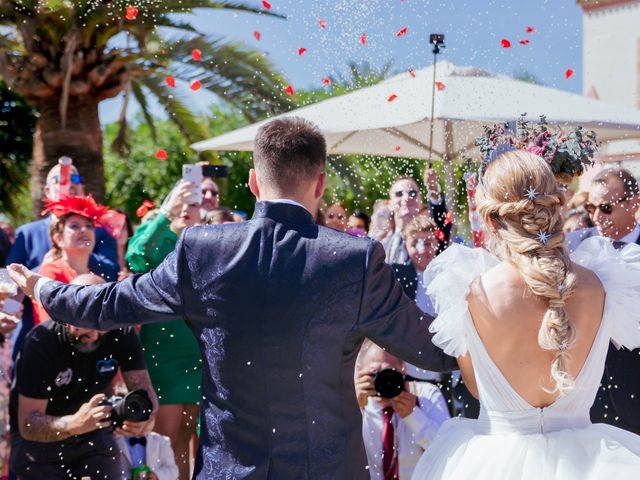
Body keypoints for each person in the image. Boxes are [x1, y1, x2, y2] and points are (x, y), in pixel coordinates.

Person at [10, 116, 457, 480]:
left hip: (229, 470)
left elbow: (109, 304)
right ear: (320, 185)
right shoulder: (355, 260)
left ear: (253, 183)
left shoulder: (202, 249)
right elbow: (433, 348)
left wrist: (41, 287)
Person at [408, 150, 640, 479]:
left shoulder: (472, 293)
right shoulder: (603, 284)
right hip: (592, 465)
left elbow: (476, 388)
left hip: (492, 463)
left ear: (490, 220)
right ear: (556, 207)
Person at [9, 273, 158, 480]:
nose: (94, 336)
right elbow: (28, 424)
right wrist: (74, 424)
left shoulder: (122, 332)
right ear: (66, 313)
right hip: (40, 441)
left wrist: (144, 419)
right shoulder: (40, 341)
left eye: (101, 326)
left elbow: (144, 390)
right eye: (85, 325)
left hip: (94, 433)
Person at [125, 180, 203, 480]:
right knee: (164, 439)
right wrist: (164, 215)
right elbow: (136, 255)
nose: (186, 209)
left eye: (193, 204)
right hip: (163, 353)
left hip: (197, 353)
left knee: (186, 438)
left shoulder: (206, 242)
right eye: (179, 203)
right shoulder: (160, 241)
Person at [6, 162, 119, 369]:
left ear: (82, 188)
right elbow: (9, 279)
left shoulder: (100, 231)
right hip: (34, 333)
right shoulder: (27, 232)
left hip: (91, 337)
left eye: (75, 178)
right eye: (59, 178)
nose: (69, 183)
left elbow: (111, 271)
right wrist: (7, 311)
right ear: (48, 190)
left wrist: (77, 247)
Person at [565, 168, 640, 436]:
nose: (596, 217)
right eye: (591, 207)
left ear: (634, 204)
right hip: (583, 402)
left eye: (606, 208)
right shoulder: (572, 248)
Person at [356, 342, 449, 480]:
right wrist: (354, 410)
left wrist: (413, 415)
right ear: (360, 371)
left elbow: (447, 451)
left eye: (389, 372)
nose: (383, 380)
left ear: (403, 368)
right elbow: (333, 454)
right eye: (374, 374)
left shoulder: (426, 396)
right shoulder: (352, 403)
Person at [32, 195, 115, 325]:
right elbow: (49, 322)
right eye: (74, 226)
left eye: (89, 226)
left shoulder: (96, 273)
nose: (84, 230)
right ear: (59, 239)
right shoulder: (50, 272)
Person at [384, 170, 450, 265]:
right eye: (399, 194)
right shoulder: (383, 240)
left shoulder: (430, 234)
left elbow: (442, 226)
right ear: (390, 203)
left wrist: (433, 190)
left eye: (413, 193)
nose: (406, 197)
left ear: (420, 201)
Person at [114, 424, 179, 480]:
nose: (142, 423)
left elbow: (173, 471)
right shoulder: (114, 441)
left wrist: (156, 475)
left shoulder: (161, 441)